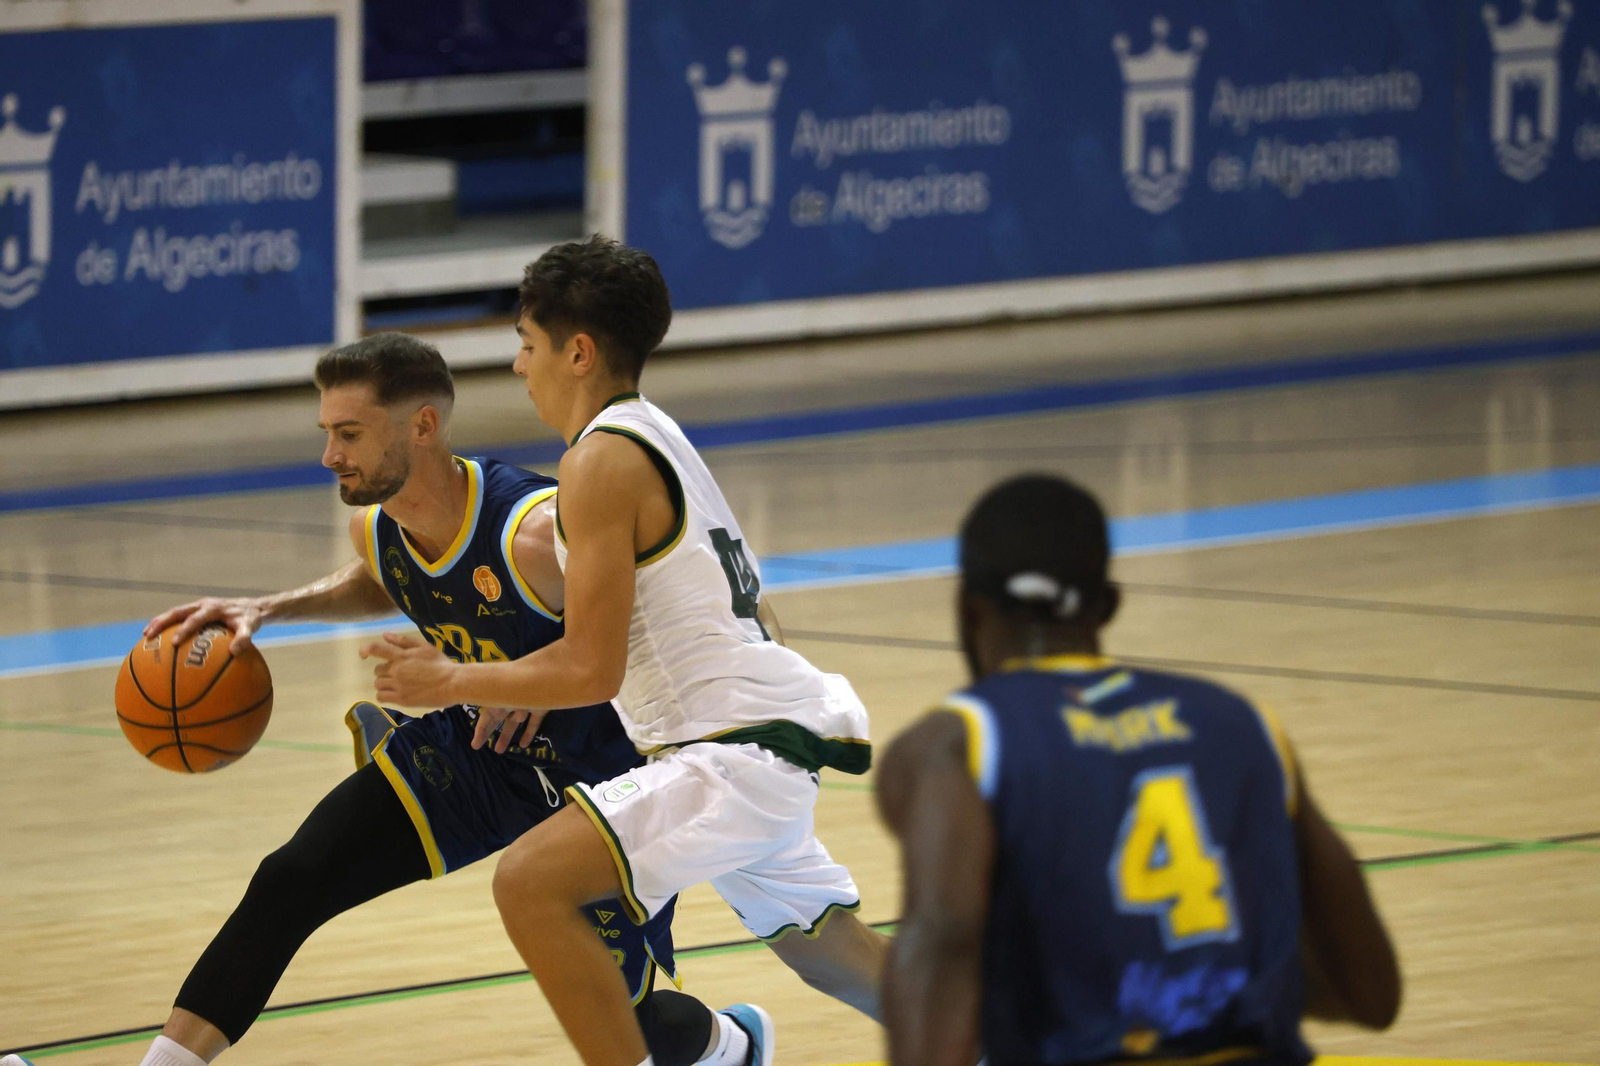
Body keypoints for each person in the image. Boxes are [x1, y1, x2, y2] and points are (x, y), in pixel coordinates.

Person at [128, 333, 758, 1066]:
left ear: (423, 426)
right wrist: (268, 608)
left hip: (606, 781)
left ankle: (733, 1044)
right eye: (327, 432)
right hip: (484, 758)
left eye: (349, 434)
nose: (330, 455)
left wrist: (540, 674)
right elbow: (382, 572)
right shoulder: (376, 526)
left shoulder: (535, 532)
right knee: (294, 878)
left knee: (628, 1017)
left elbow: (666, 613)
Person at [361, 237, 888, 1066]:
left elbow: (590, 669)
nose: (517, 365)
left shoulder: (599, 460)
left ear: (577, 353)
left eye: (527, 344)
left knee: (530, 883)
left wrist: (451, 678)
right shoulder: (651, 433)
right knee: (837, 958)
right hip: (751, 743)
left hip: (727, 752)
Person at [875, 473, 1403, 1066]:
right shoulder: (1243, 722)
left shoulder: (958, 745)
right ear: (1108, 604)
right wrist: (1208, 980)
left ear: (966, 609)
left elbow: (942, 950)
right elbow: (1372, 996)